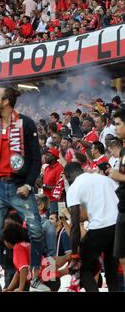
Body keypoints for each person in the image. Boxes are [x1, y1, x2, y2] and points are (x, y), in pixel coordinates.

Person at [0, 86, 49, 292]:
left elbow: (36, 159)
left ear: (6, 101)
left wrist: (28, 184)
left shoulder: (25, 123)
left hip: (20, 187)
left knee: (36, 231)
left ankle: (35, 278)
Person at [64, 162, 121, 292]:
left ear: (67, 176)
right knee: (112, 272)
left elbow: (75, 225)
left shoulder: (74, 188)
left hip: (100, 227)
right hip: (117, 226)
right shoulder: (103, 178)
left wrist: (74, 256)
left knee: (83, 267)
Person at [2, 221, 58, 291]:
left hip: (45, 280)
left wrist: (20, 288)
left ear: (7, 239)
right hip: (53, 278)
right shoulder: (25, 245)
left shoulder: (18, 248)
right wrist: (9, 288)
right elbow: (18, 273)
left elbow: (24, 268)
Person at [106, 107, 125, 287]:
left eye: (118, 124)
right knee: (122, 256)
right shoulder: (124, 151)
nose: (115, 128)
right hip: (122, 208)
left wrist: (119, 176)